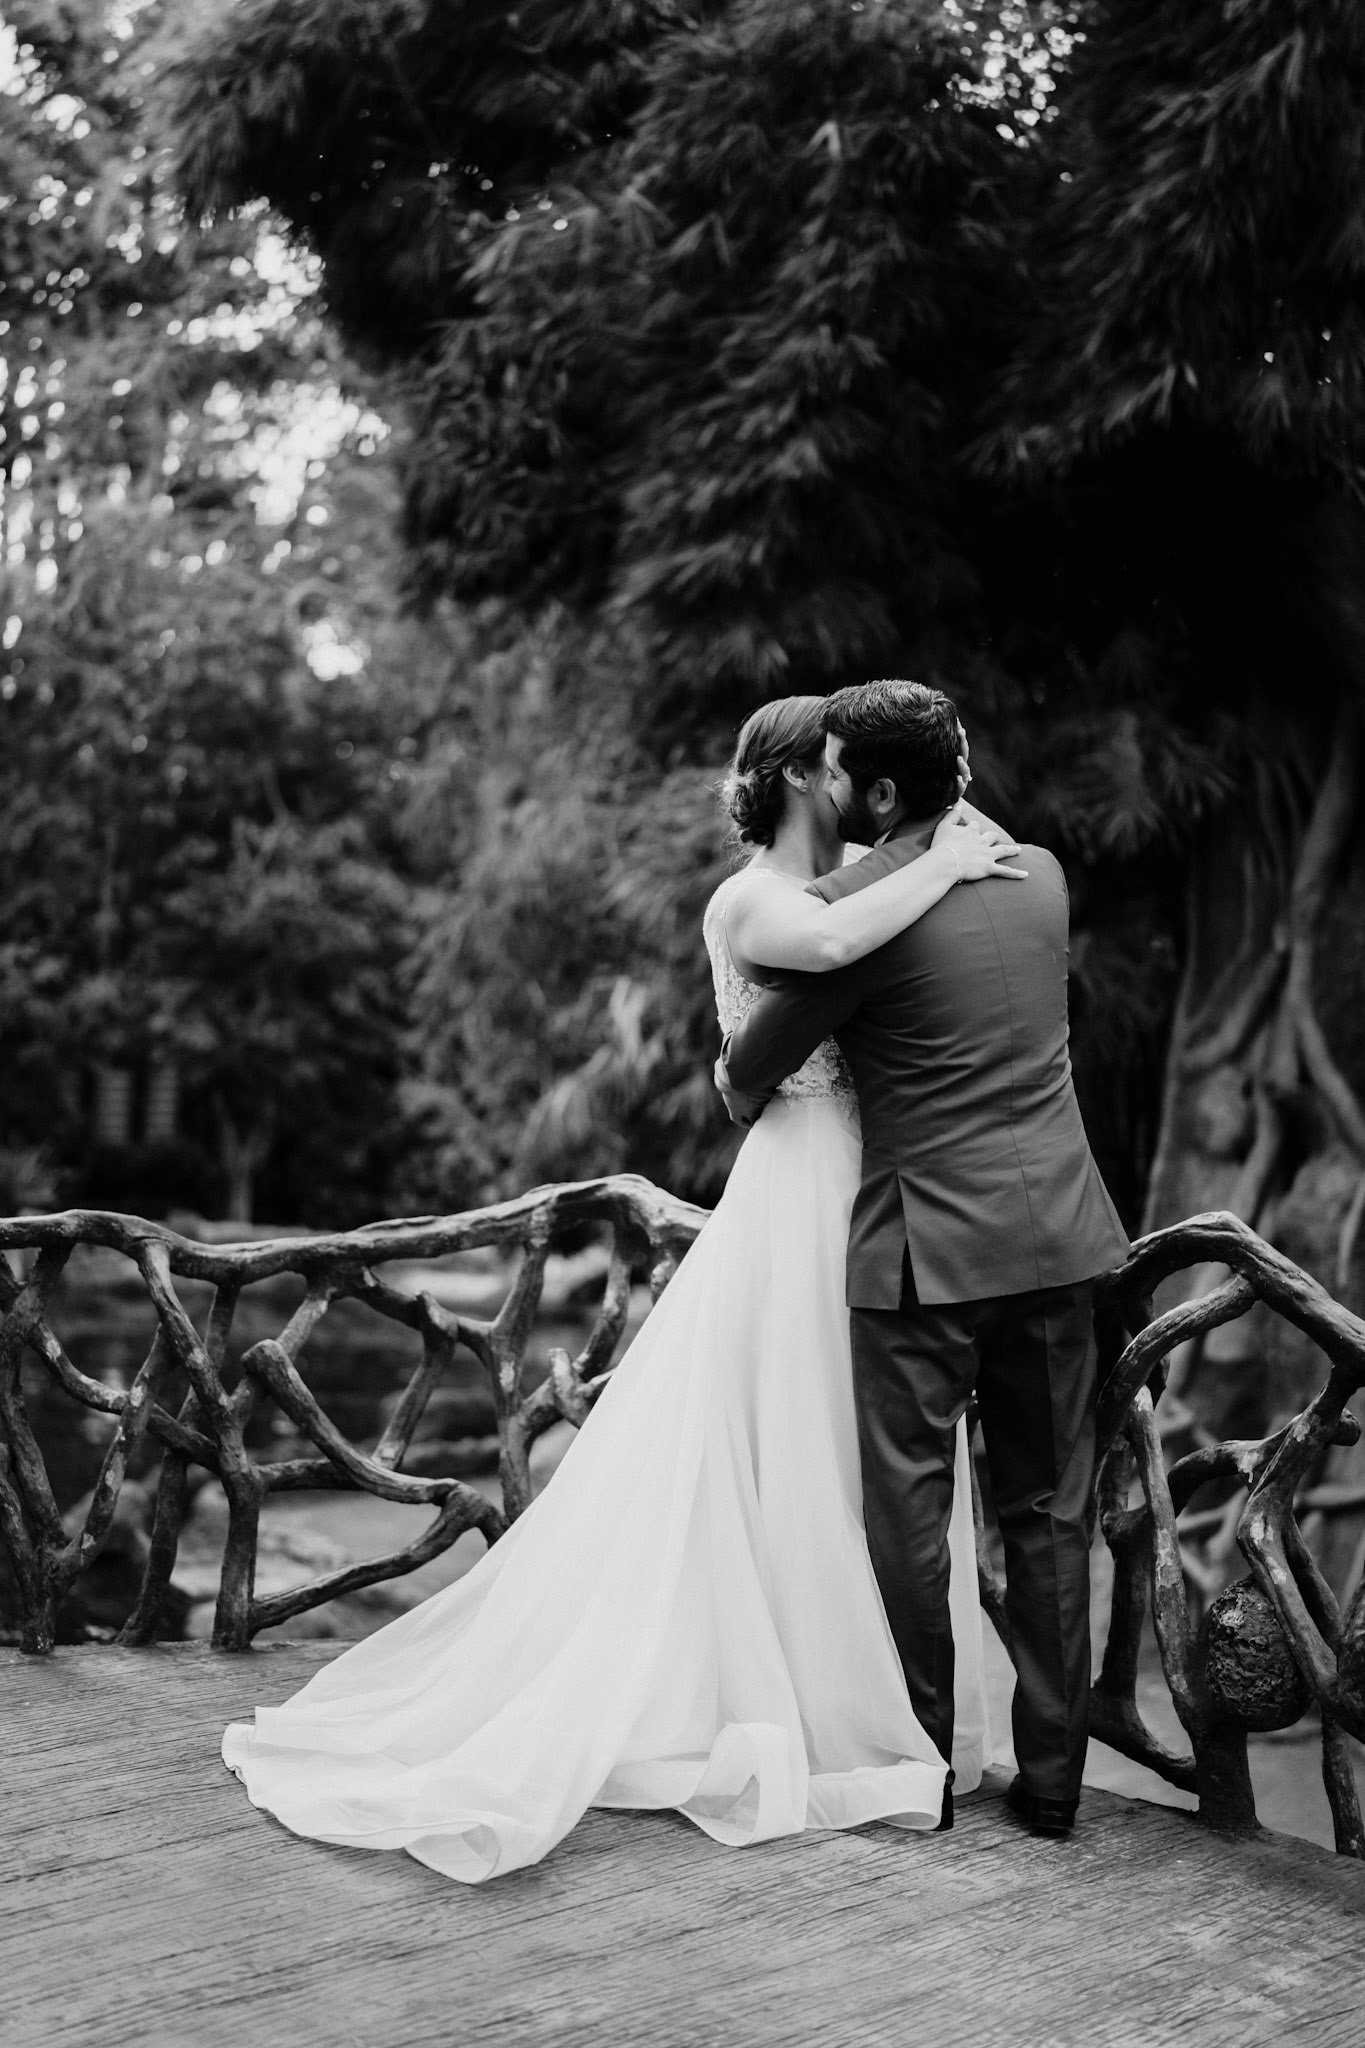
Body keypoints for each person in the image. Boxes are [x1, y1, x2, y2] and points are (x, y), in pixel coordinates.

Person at [221, 694, 1024, 1882]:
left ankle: (873, 1699)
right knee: (794, 1429)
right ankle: (806, 1705)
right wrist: (946, 858)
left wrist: (945, 851)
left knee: (863, 1447)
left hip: (879, 1184)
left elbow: (899, 913)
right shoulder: (752, 898)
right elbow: (827, 950)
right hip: (800, 1186)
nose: (856, 784)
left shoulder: (862, 875)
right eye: (837, 764)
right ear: (799, 777)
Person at [717, 680, 1130, 1838]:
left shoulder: (855, 904)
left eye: (843, 770)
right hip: (1057, 1236)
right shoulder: (1039, 874)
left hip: (921, 1253)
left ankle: (923, 1767)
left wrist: (735, 1082)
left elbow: (754, 1063)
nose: (829, 786)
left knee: (907, 1512)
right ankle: (1054, 1785)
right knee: (1049, 1513)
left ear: (882, 791)